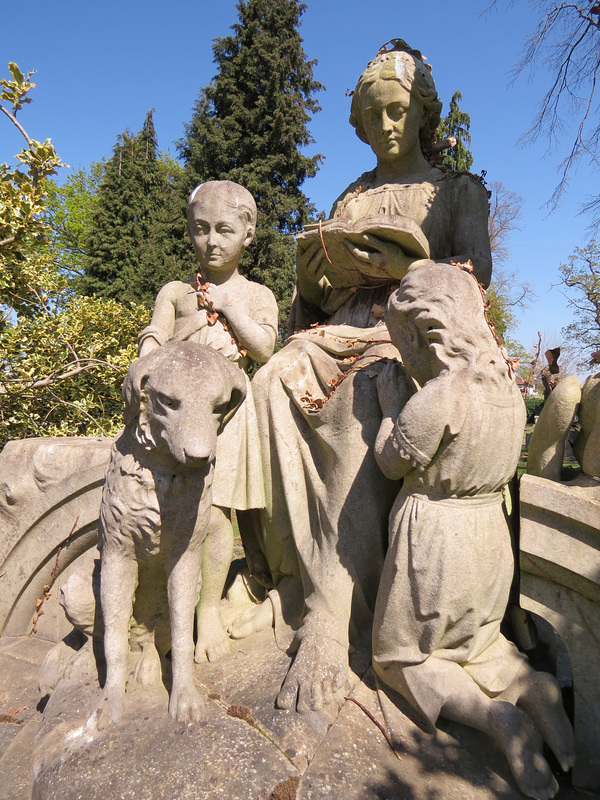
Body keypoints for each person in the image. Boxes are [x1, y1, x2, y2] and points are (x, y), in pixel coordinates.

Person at [233, 40, 492, 714]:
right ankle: (274, 568)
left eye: (399, 111)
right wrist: (318, 276)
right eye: (373, 115)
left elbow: (476, 277)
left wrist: (413, 263)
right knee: (270, 383)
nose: (387, 126)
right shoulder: (352, 195)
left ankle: (331, 612)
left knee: (357, 408)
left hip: (408, 336)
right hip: (340, 324)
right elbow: (315, 292)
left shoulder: (458, 190)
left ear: (423, 111)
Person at [373, 262, 574, 800]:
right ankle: (535, 691)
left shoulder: (441, 395)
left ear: (421, 334)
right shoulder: (507, 387)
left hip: (437, 542)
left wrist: (393, 407)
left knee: (403, 657)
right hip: (490, 536)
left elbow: (392, 463)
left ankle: (494, 719)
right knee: (480, 642)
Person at [138, 180, 278, 663]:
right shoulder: (176, 292)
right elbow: (154, 336)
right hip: (180, 417)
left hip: (232, 417)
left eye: (223, 230)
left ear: (248, 233)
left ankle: (207, 615)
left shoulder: (258, 295)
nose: (212, 242)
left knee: (217, 515)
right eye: (201, 230)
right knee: (181, 514)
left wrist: (232, 308)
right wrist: (147, 359)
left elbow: (264, 349)